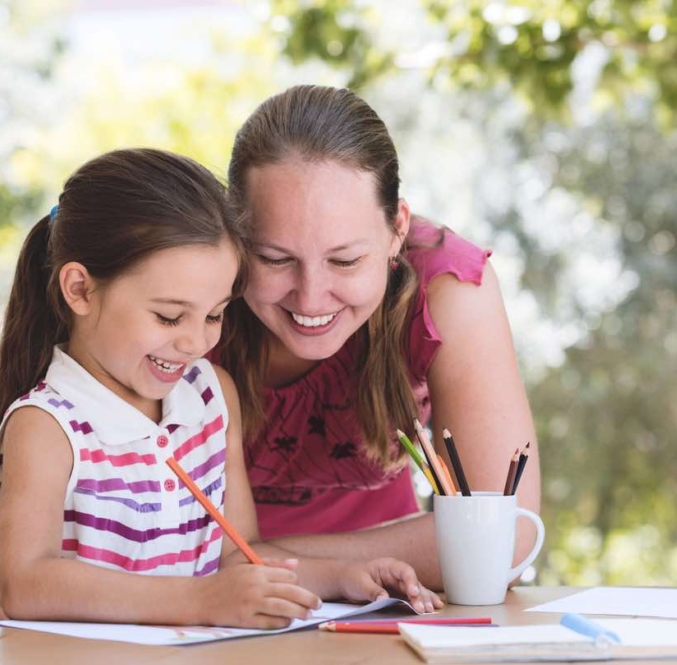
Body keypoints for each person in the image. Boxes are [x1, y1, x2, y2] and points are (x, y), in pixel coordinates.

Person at [0, 148, 439, 629]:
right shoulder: (47, 425)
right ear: (79, 290)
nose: (196, 341)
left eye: (215, 314)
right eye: (169, 316)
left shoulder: (211, 397)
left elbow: (238, 555)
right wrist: (199, 600)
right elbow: (22, 582)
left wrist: (344, 577)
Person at [211, 85, 540, 588]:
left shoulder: (446, 286)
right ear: (234, 236)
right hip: (211, 600)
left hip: (383, 592)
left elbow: (503, 537)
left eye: (345, 260)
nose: (311, 297)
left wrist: (251, 557)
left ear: (397, 230)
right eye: (275, 259)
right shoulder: (187, 287)